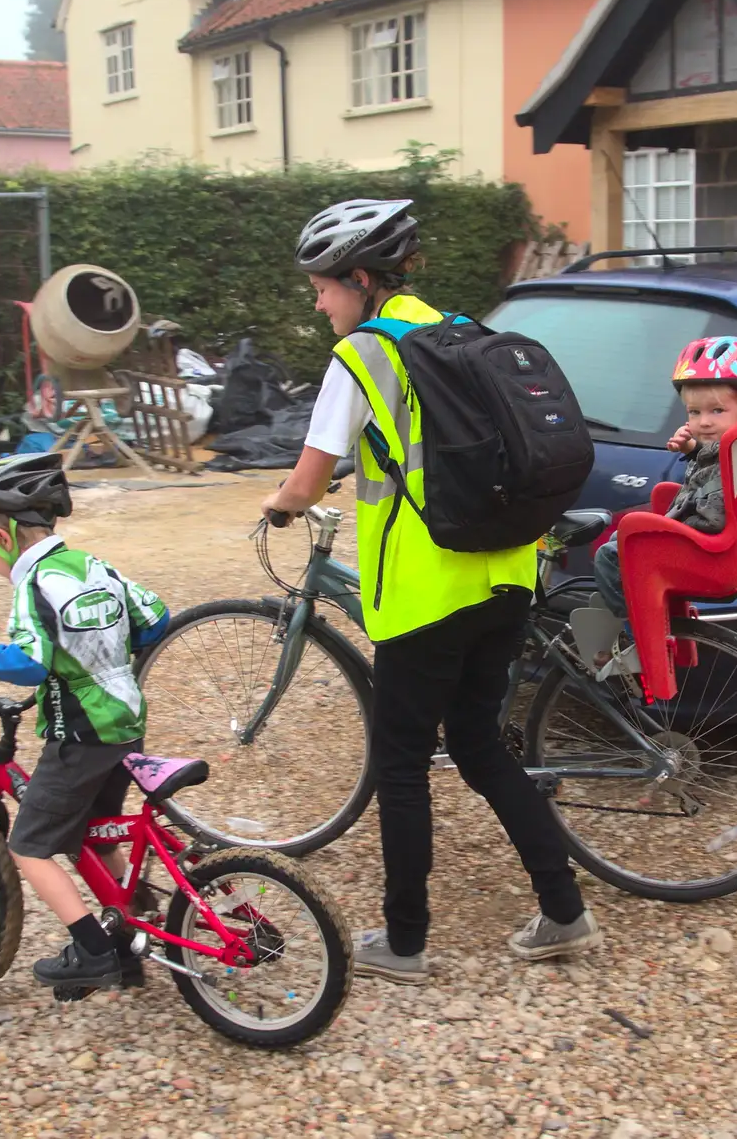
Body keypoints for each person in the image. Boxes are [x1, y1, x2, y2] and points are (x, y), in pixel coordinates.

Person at [260, 198, 602, 984]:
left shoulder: (365, 357)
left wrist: (279, 503)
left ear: (358, 278)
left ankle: (405, 942)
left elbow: (310, 476)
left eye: (322, 287)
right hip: (506, 574)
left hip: (424, 594)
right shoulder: (458, 335)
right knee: (480, 745)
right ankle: (563, 910)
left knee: (402, 762)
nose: (318, 303)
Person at [0, 452, 170, 991]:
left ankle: (95, 951)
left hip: (82, 734)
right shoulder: (94, 566)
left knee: (30, 846)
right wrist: (103, 653)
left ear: (1, 534)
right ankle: (136, 929)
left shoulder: (32, 584)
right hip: (126, 722)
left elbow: (29, 663)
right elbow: (155, 618)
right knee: (98, 830)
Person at [592, 336, 737, 621]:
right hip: (704, 543)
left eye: (717, 410)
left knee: (609, 556)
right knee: (619, 539)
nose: (704, 422)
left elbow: (713, 513)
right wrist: (693, 448)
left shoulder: (735, 454)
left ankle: (637, 628)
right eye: (694, 412)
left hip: (705, 549)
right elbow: (714, 468)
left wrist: (668, 527)